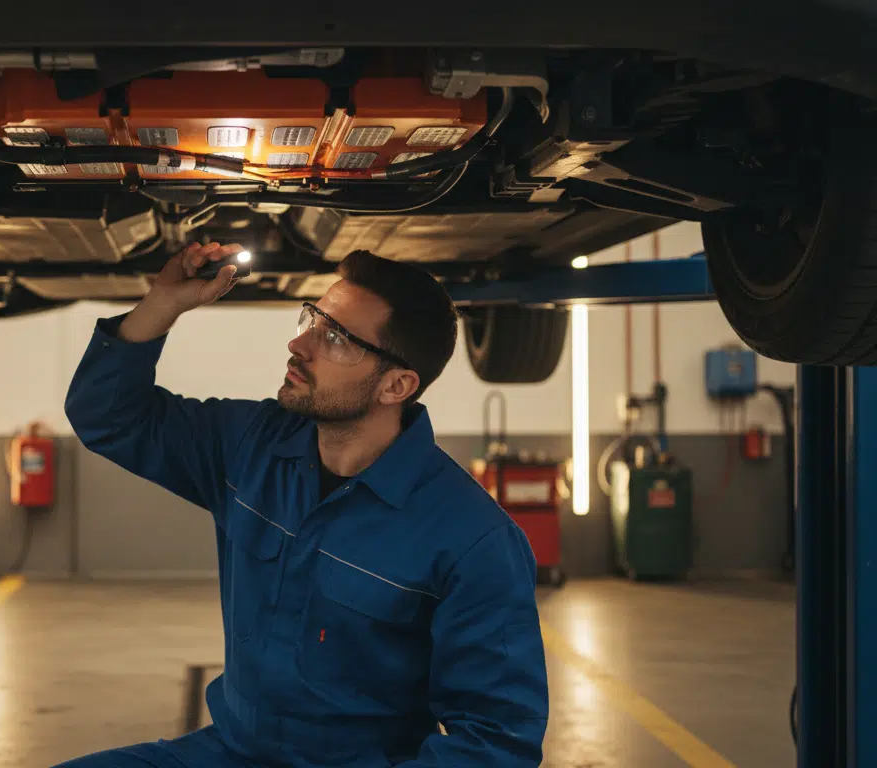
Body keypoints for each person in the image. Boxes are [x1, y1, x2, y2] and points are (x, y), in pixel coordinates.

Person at [59, 242, 548, 767]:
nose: (299, 344)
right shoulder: (253, 446)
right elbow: (107, 417)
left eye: (335, 338)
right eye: (313, 319)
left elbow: (496, 741)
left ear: (396, 385)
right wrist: (162, 302)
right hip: (231, 752)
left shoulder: (472, 538)